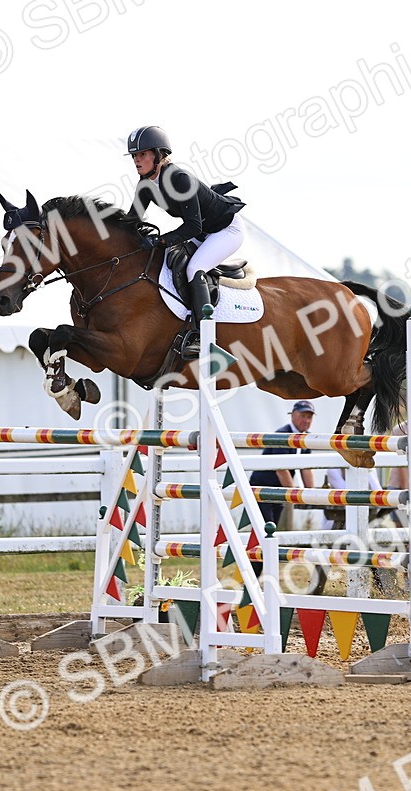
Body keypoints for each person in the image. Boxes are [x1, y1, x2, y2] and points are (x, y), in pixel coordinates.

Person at [123, 125, 246, 359]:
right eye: (134, 156)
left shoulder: (179, 179)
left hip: (226, 230)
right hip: (203, 233)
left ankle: (203, 337)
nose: (136, 160)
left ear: (159, 154)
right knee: (169, 263)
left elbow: (193, 227)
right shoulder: (145, 185)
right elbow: (132, 221)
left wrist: (160, 240)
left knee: (193, 268)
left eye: (142, 154)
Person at [247, 400, 317, 532]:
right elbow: (281, 469)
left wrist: (312, 494)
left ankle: (262, 551)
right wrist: (295, 494)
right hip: (263, 486)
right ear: (292, 415)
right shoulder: (283, 435)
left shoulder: (306, 437)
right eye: (303, 416)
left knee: (272, 527)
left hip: (278, 487)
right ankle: (257, 551)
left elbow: (306, 468)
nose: (306, 420)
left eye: (309, 417)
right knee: (265, 527)